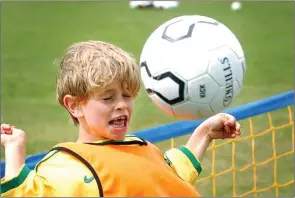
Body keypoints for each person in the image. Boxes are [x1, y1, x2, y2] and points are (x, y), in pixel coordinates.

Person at [0, 40, 241, 197]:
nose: (122, 105)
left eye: (127, 95)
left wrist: (205, 133)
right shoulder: (68, 167)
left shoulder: (140, 147)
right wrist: (15, 150)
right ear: (74, 106)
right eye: (107, 98)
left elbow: (170, 176)